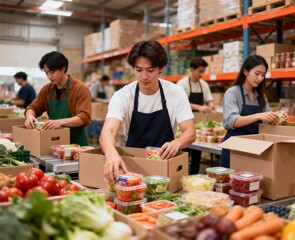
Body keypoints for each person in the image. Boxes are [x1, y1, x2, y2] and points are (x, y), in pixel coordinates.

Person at [100, 40, 196, 183]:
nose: (144, 76)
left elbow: (190, 132)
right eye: (138, 70)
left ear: (161, 68)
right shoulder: (123, 95)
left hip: (165, 163)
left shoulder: (175, 92)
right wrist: (111, 153)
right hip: (133, 165)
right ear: (133, 68)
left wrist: (177, 143)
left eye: (150, 70)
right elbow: (108, 131)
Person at [220, 55, 288, 168]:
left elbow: (267, 121)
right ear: (246, 71)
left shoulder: (261, 96)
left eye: (263, 75)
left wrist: (279, 117)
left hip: (255, 148)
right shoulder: (233, 93)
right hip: (234, 148)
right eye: (257, 73)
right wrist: (258, 116)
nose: (260, 78)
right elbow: (232, 121)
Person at [25, 51, 92, 146]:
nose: (49, 76)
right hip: (55, 142)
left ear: (63, 68)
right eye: (46, 72)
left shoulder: (80, 89)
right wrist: (30, 116)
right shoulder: (47, 89)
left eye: (52, 72)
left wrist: (60, 122)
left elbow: (84, 117)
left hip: (76, 144)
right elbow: (34, 107)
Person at [177, 57, 216, 175]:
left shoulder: (203, 84)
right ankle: (180, 177)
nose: (202, 74)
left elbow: (209, 99)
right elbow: (179, 103)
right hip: (183, 126)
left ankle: (193, 178)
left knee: (196, 157)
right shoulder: (182, 84)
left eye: (203, 71)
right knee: (183, 155)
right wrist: (199, 107)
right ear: (192, 70)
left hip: (198, 125)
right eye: (199, 71)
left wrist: (211, 105)